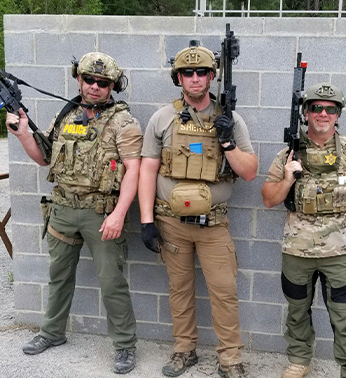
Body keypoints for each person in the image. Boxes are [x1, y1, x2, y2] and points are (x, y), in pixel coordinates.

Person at [5, 52, 142, 374]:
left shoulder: (124, 121)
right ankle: (51, 333)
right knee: (58, 276)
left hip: (100, 213)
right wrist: (24, 133)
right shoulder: (67, 114)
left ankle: (125, 346)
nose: (94, 87)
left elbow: (134, 170)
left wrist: (119, 214)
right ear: (79, 79)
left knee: (111, 282)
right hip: (63, 209)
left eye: (102, 82)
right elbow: (44, 158)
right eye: (89, 80)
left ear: (113, 86)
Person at [138, 42, 258, 378]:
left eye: (201, 72)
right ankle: (184, 350)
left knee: (224, 292)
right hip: (171, 222)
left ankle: (230, 359)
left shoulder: (230, 120)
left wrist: (228, 141)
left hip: (213, 225)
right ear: (178, 77)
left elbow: (249, 171)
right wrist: (147, 221)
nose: (194, 78)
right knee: (180, 289)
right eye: (187, 72)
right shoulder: (162, 118)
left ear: (212, 75)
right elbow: (147, 170)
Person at [261, 82, 346, 378]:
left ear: (338, 114)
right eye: (316, 107)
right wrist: (288, 179)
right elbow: (268, 198)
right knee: (297, 310)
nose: (323, 113)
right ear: (306, 113)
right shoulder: (288, 155)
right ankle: (299, 361)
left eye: (331, 109)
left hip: (338, 253)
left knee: (344, 316)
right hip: (296, 251)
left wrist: (341, 224)